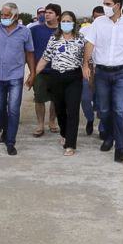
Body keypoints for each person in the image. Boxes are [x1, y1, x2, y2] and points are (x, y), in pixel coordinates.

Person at [82, 0, 123, 163]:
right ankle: (109, 137)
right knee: (104, 110)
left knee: (120, 110)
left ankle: (121, 149)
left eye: (108, 4)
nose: (105, 7)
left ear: (117, 5)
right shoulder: (98, 23)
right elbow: (89, 44)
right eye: (104, 3)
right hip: (102, 73)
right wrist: (86, 64)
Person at [0, 2, 35, 155]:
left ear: (15, 16)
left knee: (13, 110)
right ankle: (5, 129)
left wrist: (32, 73)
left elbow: (30, 53)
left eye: (7, 15)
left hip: (15, 76)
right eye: (2, 15)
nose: (4, 17)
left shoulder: (25, 32)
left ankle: (10, 141)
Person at [37, 11, 85, 156]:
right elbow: (45, 58)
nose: (65, 24)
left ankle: (70, 144)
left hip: (74, 77)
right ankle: (64, 134)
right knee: (60, 109)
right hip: (56, 77)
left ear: (74, 23)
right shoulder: (54, 38)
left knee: (73, 110)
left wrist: (89, 72)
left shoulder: (81, 38)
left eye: (68, 21)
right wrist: (34, 74)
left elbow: (86, 58)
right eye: (63, 21)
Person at [30, 3, 61, 137]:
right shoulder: (35, 30)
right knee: (39, 98)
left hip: (58, 71)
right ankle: (40, 124)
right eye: (45, 12)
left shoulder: (63, 30)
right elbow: (28, 50)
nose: (46, 15)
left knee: (56, 99)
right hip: (40, 71)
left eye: (50, 13)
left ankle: (52, 122)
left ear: (57, 15)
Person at [79, 6, 104, 135]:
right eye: (96, 17)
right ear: (93, 17)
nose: (98, 19)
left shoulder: (111, 30)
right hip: (87, 68)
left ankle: (102, 126)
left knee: (102, 99)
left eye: (101, 17)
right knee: (85, 98)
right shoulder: (85, 30)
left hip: (102, 69)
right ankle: (89, 118)